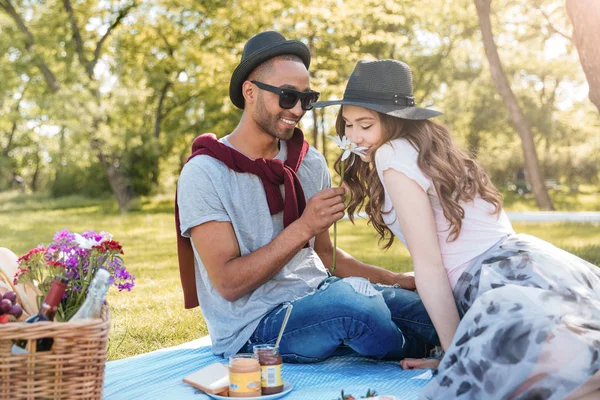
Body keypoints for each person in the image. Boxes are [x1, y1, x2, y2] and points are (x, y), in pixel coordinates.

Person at [313, 59, 600, 399]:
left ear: (393, 123)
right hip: (527, 261)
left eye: (365, 124)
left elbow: (431, 263)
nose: (353, 136)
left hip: (494, 277)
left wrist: (453, 356)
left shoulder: (390, 153)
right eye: (347, 125)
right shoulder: (427, 149)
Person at [175, 32, 439, 363]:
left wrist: (397, 280)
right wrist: (304, 226)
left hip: (318, 293)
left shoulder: (308, 162)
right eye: (288, 96)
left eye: (307, 98)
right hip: (253, 327)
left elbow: (326, 256)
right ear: (250, 91)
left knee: (432, 305)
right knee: (354, 307)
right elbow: (228, 284)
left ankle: (474, 346)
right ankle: (430, 352)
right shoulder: (205, 172)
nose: (299, 109)